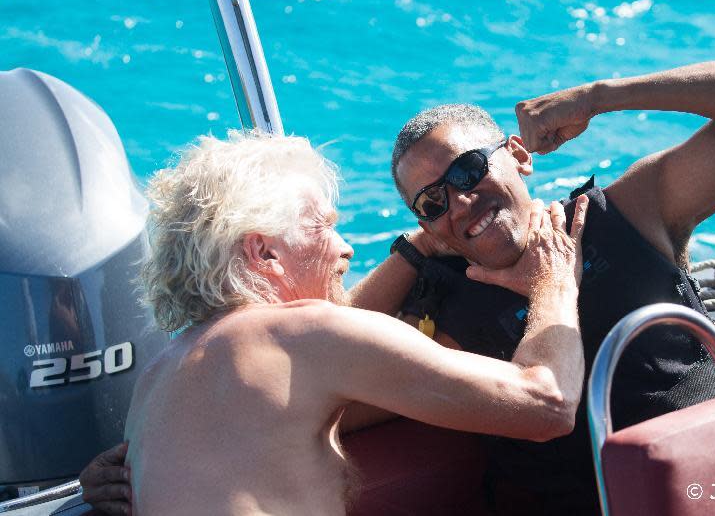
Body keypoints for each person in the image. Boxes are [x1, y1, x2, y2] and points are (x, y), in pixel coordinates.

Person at [81, 61, 715, 514]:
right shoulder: (438, 307)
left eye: (467, 172)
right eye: (432, 203)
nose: (460, 203)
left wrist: (602, 95)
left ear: (518, 155)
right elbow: (305, 389)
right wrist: (132, 466)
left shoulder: (628, 213)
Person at [110, 131, 590, 515]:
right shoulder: (303, 336)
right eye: (323, 226)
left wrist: (421, 247)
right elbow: (546, 402)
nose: (346, 249)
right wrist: (555, 278)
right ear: (265, 253)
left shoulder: (157, 380)